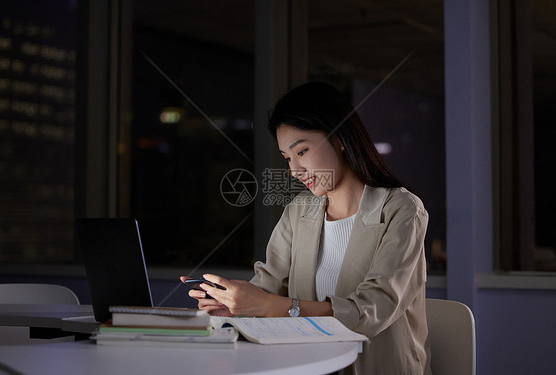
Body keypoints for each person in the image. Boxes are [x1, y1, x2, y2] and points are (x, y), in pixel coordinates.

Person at [181, 82, 431, 375]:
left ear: (339, 137)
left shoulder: (402, 209)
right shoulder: (299, 210)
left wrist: (274, 307)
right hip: (307, 366)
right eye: (287, 158)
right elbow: (269, 286)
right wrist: (237, 308)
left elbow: (374, 307)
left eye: (302, 151)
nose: (294, 171)